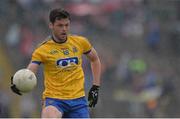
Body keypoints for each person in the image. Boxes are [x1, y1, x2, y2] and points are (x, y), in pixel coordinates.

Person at [10, 8, 101, 118]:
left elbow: (95, 59)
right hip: (54, 100)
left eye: (67, 25)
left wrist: (95, 87)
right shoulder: (42, 49)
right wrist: (20, 81)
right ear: (51, 25)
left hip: (78, 100)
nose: (64, 29)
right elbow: (31, 70)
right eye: (60, 25)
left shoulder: (80, 42)